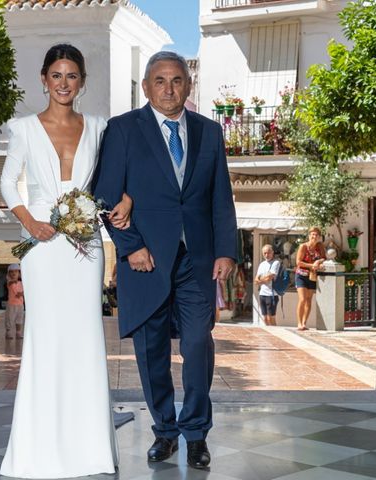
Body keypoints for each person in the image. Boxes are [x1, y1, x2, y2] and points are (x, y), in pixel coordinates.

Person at [93, 51, 237, 469]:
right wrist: (130, 246)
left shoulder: (210, 132)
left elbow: (220, 197)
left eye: (176, 80)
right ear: (146, 86)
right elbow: (105, 196)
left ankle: (195, 433)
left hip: (197, 259)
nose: (169, 88)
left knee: (197, 343)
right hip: (146, 260)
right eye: (160, 80)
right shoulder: (123, 130)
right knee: (151, 350)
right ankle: (165, 431)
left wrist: (226, 249)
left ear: (188, 86)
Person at [0, 44, 132, 479]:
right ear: (43, 79)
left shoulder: (98, 127)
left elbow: (112, 179)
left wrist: (125, 198)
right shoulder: (22, 128)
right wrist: (29, 222)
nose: (63, 83)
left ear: (82, 82)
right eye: (56, 75)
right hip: (41, 245)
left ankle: (89, 447)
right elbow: (6, 183)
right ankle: (38, 447)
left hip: (85, 244)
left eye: (71, 75)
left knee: (85, 337)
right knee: (45, 337)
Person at [294, 227, 326, 331]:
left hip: (312, 276)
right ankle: (299, 323)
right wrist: (312, 265)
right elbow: (298, 262)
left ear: (319, 237)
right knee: (302, 299)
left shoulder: (320, 247)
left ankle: (304, 322)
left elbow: (324, 258)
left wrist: (319, 262)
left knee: (309, 300)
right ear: (309, 236)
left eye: (316, 235)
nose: (314, 237)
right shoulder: (303, 246)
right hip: (301, 275)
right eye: (312, 234)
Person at [254, 244, 280, 326]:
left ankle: (276, 334)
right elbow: (255, 280)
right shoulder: (262, 264)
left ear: (272, 252)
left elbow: (269, 278)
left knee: (271, 318)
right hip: (262, 294)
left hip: (271, 294)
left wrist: (261, 279)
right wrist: (263, 279)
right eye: (264, 253)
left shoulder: (276, 263)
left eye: (268, 253)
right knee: (265, 318)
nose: (266, 255)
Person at [4, 263, 24, 339]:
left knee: (19, 318)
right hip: (11, 304)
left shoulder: (21, 283)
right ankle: (8, 332)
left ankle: (18, 332)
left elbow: (24, 291)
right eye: (11, 272)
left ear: (19, 273)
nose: (14, 273)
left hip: (20, 304)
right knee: (10, 318)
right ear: (8, 274)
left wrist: (21, 293)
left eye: (16, 271)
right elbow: (10, 283)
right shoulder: (9, 282)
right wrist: (13, 281)